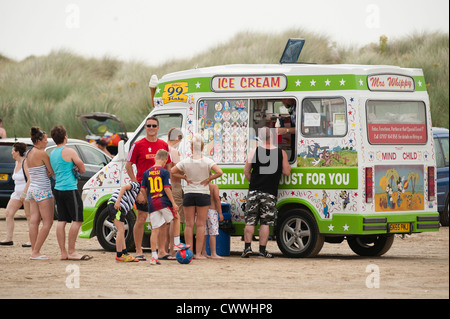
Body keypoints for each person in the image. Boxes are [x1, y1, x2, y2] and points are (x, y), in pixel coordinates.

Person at [125, 116, 172, 261]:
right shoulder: (138, 145)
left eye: (154, 126)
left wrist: (167, 184)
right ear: (145, 128)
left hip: (159, 190)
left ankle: (162, 251)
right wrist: (136, 186)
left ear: (158, 128)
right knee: (141, 218)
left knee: (163, 221)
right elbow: (128, 165)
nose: (151, 128)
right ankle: (139, 250)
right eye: (148, 126)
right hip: (143, 188)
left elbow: (169, 165)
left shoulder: (163, 145)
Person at [171, 134, 223, 260]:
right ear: (203, 147)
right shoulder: (207, 161)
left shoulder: (185, 161)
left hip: (189, 193)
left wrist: (183, 177)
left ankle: (189, 251)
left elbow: (172, 171)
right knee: (200, 225)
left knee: (189, 224)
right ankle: (199, 253)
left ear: (191, 147)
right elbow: (220, 172)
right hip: (203, 194)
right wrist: (208, 179)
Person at [242, 127, 291, 258]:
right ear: (273, 137)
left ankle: (247, 248)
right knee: (265, 222)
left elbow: (246, 171)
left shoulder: (253, 151)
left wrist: (254, 182)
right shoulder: (281, 153)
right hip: (269, 193)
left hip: (254, 191)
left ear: (260, 138)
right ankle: (262, 251)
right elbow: (287, 171)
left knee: (250, 221)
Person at [50, 125, 92, 261]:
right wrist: (77, 170)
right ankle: (72, 251)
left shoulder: (53, 153)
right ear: (65, 137)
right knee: (78, 219)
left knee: (62, 220)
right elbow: (83, 168)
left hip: (58, 189)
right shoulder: (69, 151)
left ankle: (63, 252)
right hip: (70, 189)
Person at [141, 150, 188, 265]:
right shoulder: (165, 172)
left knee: (155, 230)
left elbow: (142, 189)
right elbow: (167, 188)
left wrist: (147, 199)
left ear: (155, 158)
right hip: (163, 202)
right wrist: (173, 203)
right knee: (176, 218)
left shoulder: (146, 172)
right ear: (165, 160)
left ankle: (153, 257)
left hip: (152, 204)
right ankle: (176, 243)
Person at [24, 127, 55, 260]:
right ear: (38, 140)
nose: (47, 142)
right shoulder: (42, 154)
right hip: (43, 190)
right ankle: (36, 251)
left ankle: (33, 251)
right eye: (45, 139)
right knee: (47, 223)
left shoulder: (29, 152)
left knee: (34, 221)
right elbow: (51, 171)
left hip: (32, 189)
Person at [0, 143, 31, 247]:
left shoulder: (25, 162)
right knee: (9, 213)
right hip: (16, 193)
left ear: (18, 152)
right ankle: (9, 238)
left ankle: (32, 240)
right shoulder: (16, 162)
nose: (11, 152)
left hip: (25, 193)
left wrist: (24, 193)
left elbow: (30, 179)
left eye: (13, 150)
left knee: (29, 216)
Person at [107, 182, 141, 262]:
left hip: (119, 208)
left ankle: (124, 253)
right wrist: (118, 201)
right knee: (120, 230)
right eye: (144, 200)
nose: (141, 202)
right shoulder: (137, 186)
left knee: (121, 230)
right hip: (116, 205)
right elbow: (123, 187)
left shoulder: (133, 197)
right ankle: (119, 255)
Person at [167, 127, 184, 257]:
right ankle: (173, 249)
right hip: (174, 186)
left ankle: (164, 248)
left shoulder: (162, 149)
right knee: (175, 218)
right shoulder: (174, 152)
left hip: (163, 186)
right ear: (178, 138)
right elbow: (176, 171)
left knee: (166, 220)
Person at [201, 182, 224, 259]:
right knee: (213, 233)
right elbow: (217, 199)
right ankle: (213, 253)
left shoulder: (201, 186)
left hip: (202, 210)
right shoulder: (214, 186)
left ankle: (203, 251)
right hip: (212, 211)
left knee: (203, 232)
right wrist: (220, 213)